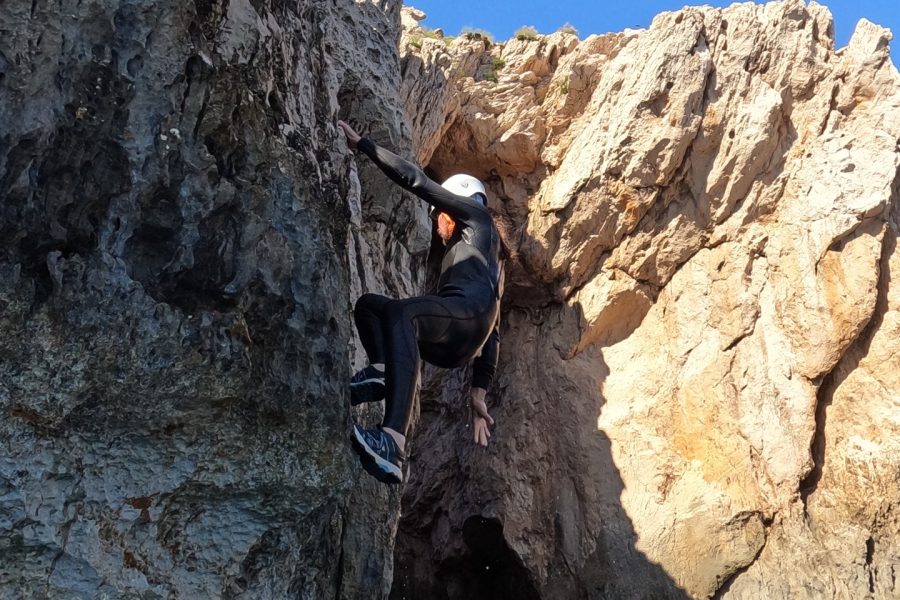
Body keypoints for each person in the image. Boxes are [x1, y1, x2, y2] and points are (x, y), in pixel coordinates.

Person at [337, 119, 503, 485]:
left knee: (404, 314)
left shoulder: (476, 219)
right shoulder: (488, 258)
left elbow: (417, 182)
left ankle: (391, 442)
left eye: (437, 216)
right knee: (369, 306)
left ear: (454, 208)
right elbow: (494, 334)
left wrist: (363, 145)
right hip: (459, 339)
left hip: (462, 320)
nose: (436, 223)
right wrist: (478, 392)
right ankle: (382, 369)